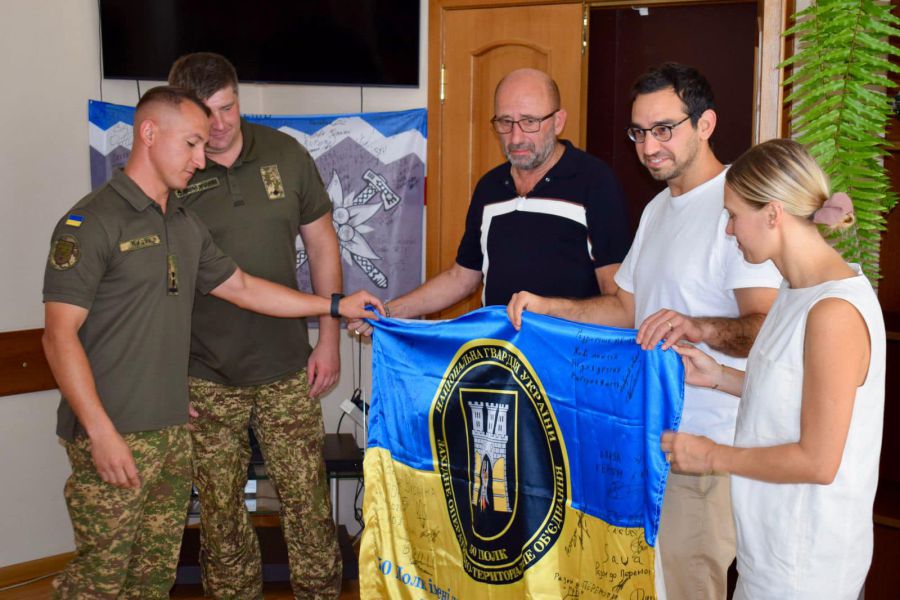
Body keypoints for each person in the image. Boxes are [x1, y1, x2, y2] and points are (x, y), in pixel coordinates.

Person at [41, 86, 381, 599]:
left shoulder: (182, 222)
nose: (202, 160)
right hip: (114, 429)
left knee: (150, 580)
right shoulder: (92, 223)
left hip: (171, 428)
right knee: (99, 582)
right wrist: (100, 431)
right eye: (192, 144)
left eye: (204, 145)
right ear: (148, 133)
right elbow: (57, 336)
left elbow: (243, 288)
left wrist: (334, 306)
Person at [507, 63, 782, 599]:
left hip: (708, 447)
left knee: (686, 588)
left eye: (664, 129)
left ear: (705, 124)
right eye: (638, 132)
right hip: (646, 441)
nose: (649, 146)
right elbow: (625, 309)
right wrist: (548, 308)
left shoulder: (740, 204)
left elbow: (766, 329)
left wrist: (697, 327)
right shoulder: (658, 209)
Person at [661, 138, 885, 599]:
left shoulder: (834, 312)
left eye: (733, 215)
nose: (729, 231)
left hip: (807, 568)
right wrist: (719, 376)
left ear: (773, 213)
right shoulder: (794, 290)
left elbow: (818, 461)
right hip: (770, 553)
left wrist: (711, 455)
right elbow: (793, 396)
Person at [168, 53, 345, 599]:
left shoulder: (285, 154)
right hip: (204, 374)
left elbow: (323, 246)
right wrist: (167, 375)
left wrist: (329, 337)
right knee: (220, 517)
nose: (220, 125)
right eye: (206, 114)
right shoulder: (172, 171)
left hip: (286, 367)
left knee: (308, 507)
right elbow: (153, 285)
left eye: (229, 107)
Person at [349, 67, 630, 333]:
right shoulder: (489, 188)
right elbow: (462, 278)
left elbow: (620, 309)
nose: (516, 137)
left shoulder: (595, 182)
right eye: (505, 122)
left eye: (529, 122)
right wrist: (387, 311)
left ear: (558, 122)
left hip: (567, 360)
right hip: (498, 358)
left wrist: (548, 310)